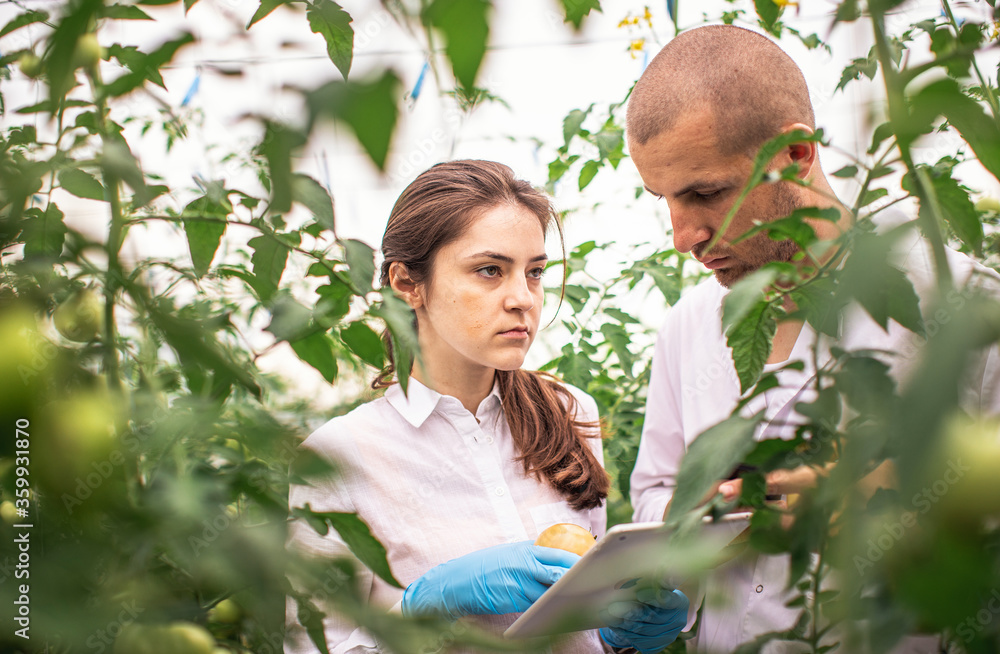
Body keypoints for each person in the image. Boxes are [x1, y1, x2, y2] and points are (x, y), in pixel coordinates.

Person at [625, 24, 1000, 654]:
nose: (683, 237)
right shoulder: (687, 326)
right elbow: (653, 491)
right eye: (663, 199)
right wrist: (699, 522)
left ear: (796, 154)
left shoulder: (961, 306)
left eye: (706, 193)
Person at [284, 160, 689, 654]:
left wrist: (616, 634)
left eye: (535, 272)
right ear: (407, 283)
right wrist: (425, 607)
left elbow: (589, 616)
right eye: (490, 270)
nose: (523, 299)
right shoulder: (338, 457)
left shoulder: (568, 412)